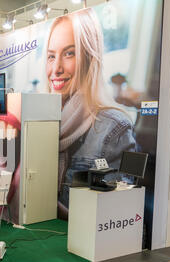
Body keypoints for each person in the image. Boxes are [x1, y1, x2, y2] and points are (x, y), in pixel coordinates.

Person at [44, 9, 136, 218]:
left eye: (69, 53)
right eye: (51, 56)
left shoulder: (113, 128)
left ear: (90, 57)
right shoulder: (40, 122)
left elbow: (118, 218)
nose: (56, 68)